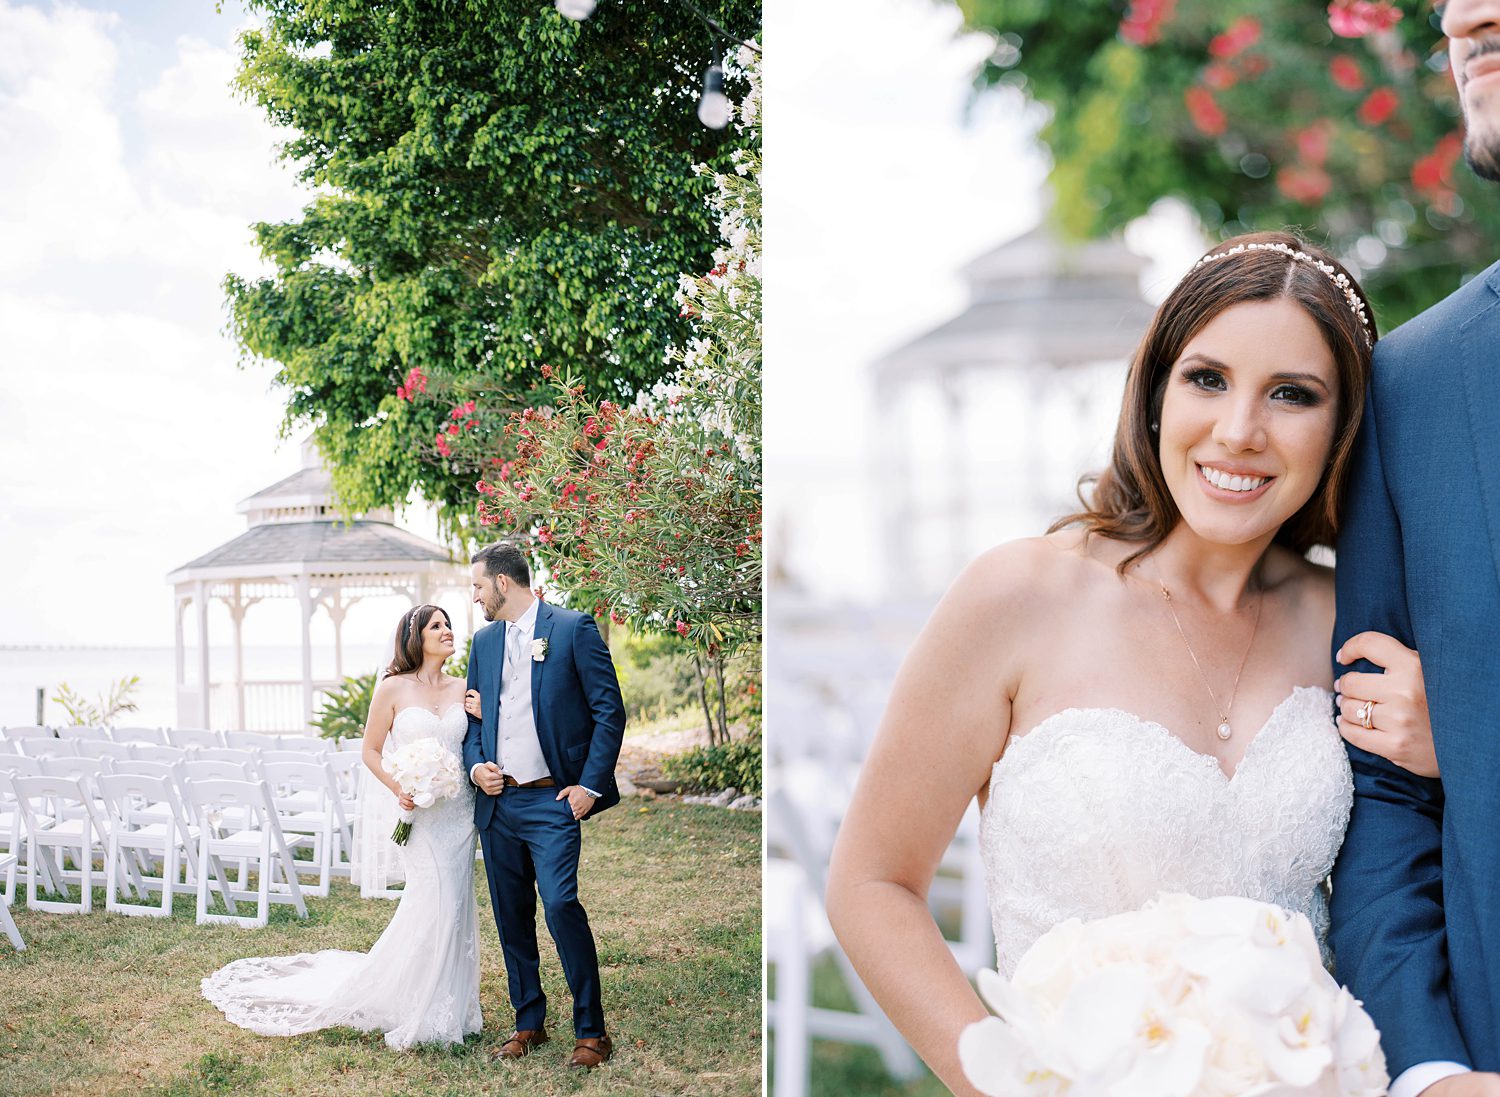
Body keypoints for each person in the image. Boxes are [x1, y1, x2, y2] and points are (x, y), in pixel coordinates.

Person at [824, 230, 1437, 1095]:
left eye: (1292, 394)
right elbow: (872, 883)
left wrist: (1453, 743)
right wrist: (1014, 1082)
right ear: (1153, 391)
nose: (1239, 430)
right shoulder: (1018, 596)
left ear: (1343, 428)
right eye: (1208, 378)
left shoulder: (1355, 622)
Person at [1327, 2, 1500, 1093]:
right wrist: (1428, 1065)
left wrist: (1476, 733)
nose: (1468, 13)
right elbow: (1383, 792)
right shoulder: (1414, 386)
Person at [203, 604, 480, 1050]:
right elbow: (371, 751)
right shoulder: (392, 688)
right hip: (419, 815)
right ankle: (424, 1006)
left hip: (458, 813)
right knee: (436, 899)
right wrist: (399, 786)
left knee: (456, 903)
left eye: (448, 624)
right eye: (436, 626)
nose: (447, 631)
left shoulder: (466, 687)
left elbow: (475, 743)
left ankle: (451, 1002)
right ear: (415, 637)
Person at [462, 541, 625, 1070]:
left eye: (478, 586)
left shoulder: (572, 629)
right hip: (498, 805)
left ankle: (591, 1031)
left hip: (553, 800)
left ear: (504, 584)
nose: (476, 597)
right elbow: (475, 723)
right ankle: (528, 1021)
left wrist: (589, 786)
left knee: (559, 906)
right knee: (512, 919)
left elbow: (609, 712)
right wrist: (476, 765)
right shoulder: (483, 643)